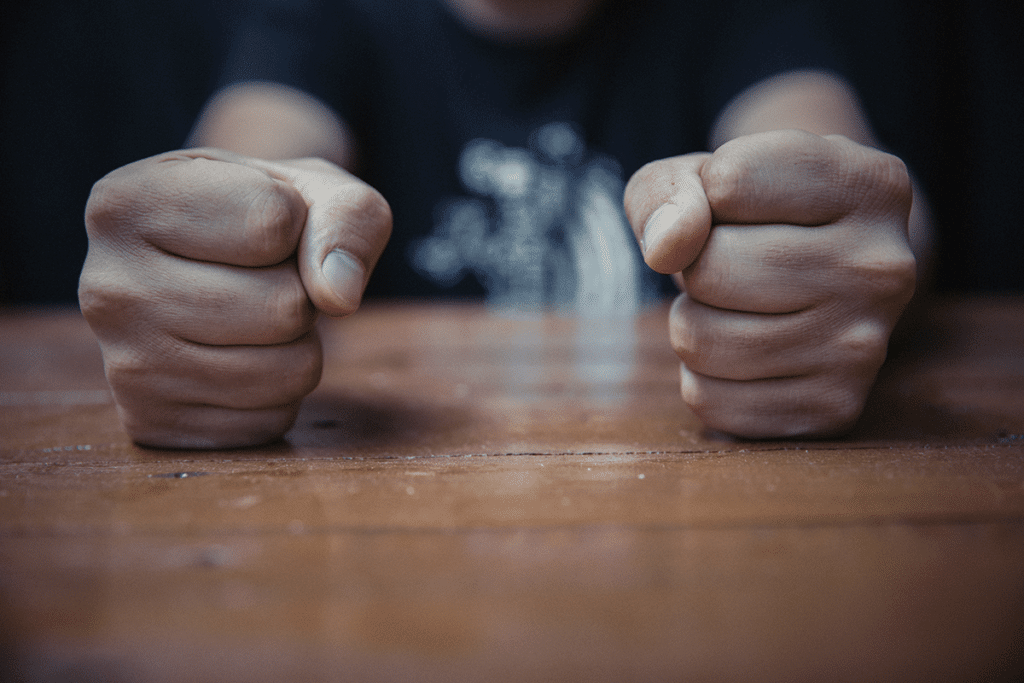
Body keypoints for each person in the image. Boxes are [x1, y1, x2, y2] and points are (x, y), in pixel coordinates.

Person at [78, 0, 929, 449]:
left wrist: (849, 242)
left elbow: (846, 172)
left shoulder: (733, 14)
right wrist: (206, 241)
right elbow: (244, 160)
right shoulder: (326, 14)